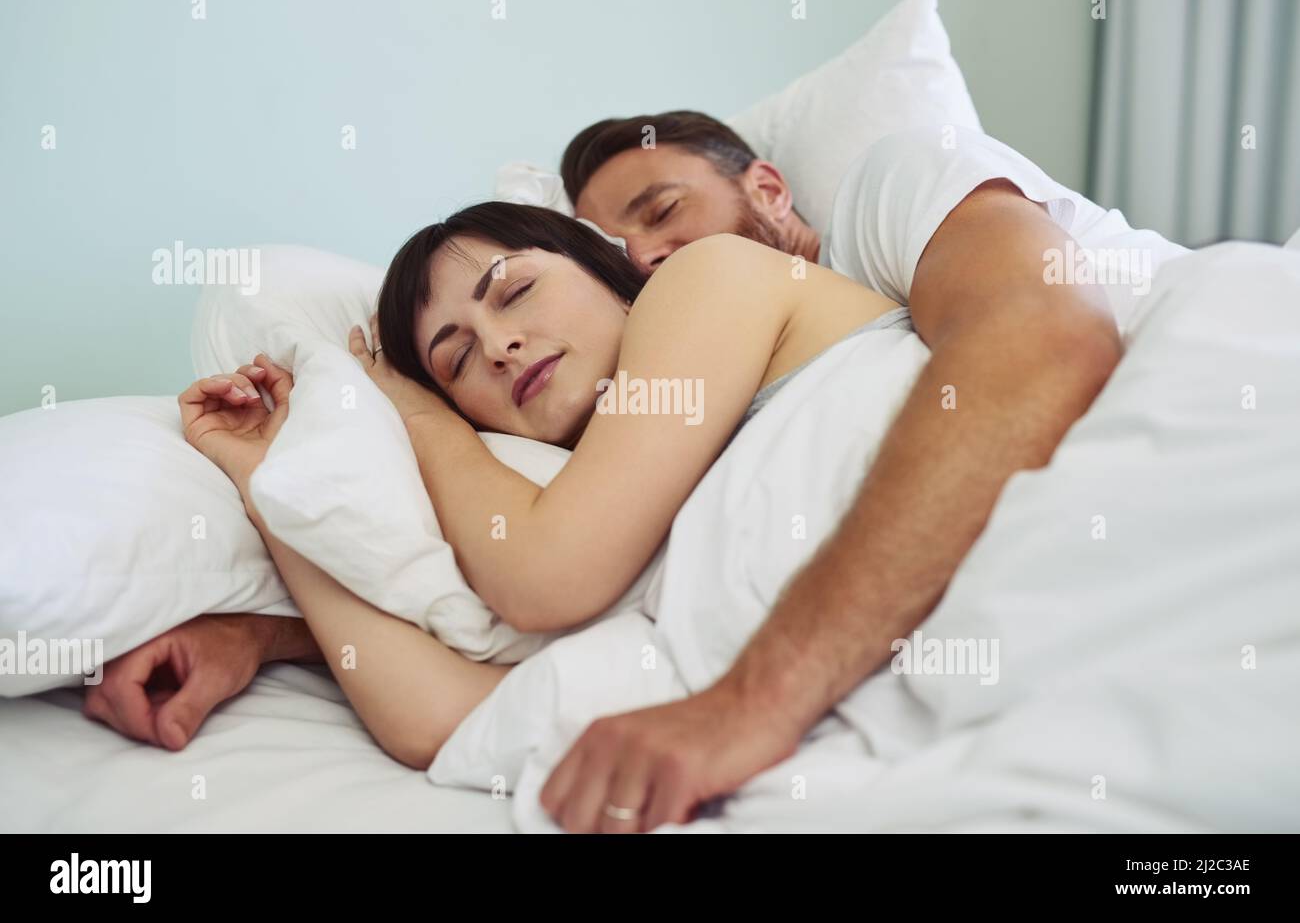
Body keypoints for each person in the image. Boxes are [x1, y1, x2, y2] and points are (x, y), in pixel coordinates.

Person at [90, 109, 1173, 833]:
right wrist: (266, 490)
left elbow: (544, 574)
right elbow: (445, 721)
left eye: (514, 293)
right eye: (457, 356)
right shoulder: (644, 504)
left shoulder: (712, 282)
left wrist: (411, 402)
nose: (497, 346)